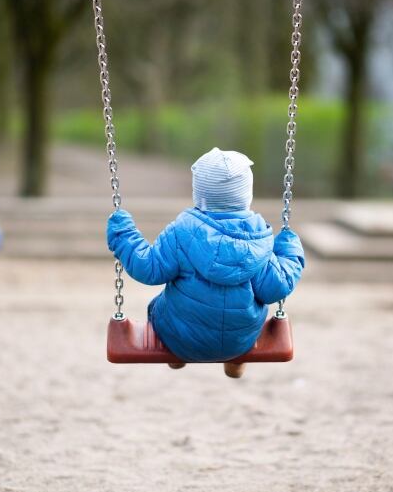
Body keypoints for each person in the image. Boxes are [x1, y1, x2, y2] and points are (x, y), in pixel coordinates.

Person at [106, 147, 305, 378]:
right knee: (245, 315)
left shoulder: (182, 232)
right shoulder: (258, 239)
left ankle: (177, 356)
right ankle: (235, 361)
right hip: (240, 339)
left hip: (180, 336)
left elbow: (148, 268)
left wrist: (123, 234)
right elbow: (277, 286)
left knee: (158, 306)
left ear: (198, 195)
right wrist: (289, 247)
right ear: (247, 197)